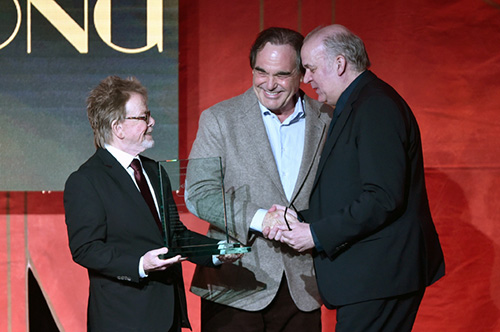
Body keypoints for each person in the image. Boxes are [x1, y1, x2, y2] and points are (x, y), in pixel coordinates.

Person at [264, 25, 445, 332]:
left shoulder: (375, 106)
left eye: (310, 68)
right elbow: (350, 191)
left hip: (380, 276)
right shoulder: (358, 104)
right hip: (371, 279)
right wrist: (299, 218)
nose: (306, 79)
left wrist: (316, 234)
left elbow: (383, 197)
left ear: (339, 64)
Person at [184, 27, 332, 332]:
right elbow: (199, 193)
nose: (270, 84)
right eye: (261, 72)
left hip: (303, 287)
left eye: (281, 74)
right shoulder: (219, 119)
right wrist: (261, 219)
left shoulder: (328, 119)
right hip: (235, 285)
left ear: (301, 73)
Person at [64, 76, 235, 332]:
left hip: (169, 315)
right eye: (144, 117)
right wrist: (140, 264)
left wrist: (219, 250)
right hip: (123, 319)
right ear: (118, 128)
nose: (152, 122)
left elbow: (174, 234)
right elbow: (86, 249)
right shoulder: (86, 180)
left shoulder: (155, 171)